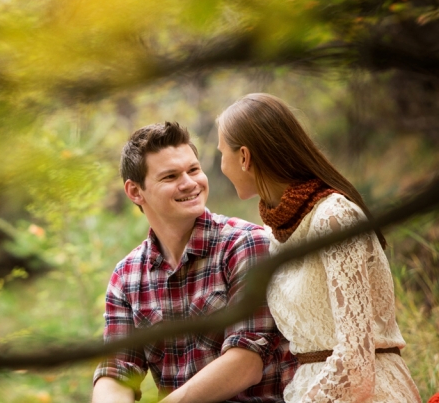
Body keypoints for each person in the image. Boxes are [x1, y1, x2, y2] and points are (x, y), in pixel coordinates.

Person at [216, 93, 421, 403]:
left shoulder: (334, 217)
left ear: (244, 157)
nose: (220, 165)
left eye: (222, 154)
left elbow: (356, 362)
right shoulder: (277, 235)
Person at [92, 122, 295, 403]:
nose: (189, 183)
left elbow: (247, 363)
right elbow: (116, 371)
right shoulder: (127, 276)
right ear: (135, 192)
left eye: (193, 170)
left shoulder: (245, 244)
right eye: (170, 176)